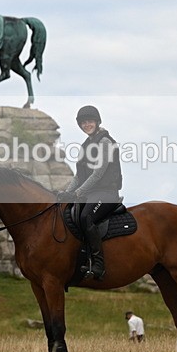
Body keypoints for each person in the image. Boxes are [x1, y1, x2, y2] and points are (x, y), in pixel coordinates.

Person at [60, 105, 123, 280]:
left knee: (86, 217)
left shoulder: (105, 142)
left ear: (97, 122)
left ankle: (98, 264)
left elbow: (98, 173)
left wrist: (78, 192)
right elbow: (78, 176)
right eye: (83, 122)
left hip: (107, 193)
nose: (86, 124)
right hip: (90, 193)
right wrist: (66, 193)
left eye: (90, 121)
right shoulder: (85, 146)